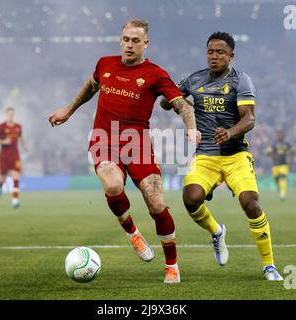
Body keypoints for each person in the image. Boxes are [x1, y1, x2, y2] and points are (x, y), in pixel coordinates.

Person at [49, 19, 200, 284]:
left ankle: (172, 266)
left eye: (135, 41)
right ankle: (133, 234)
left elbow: (183, 106)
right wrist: (68, 110)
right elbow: (90, 86)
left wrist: (191, 128)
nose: (129, 45)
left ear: (145, 43)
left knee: (156, 203)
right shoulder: (104, 64)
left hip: (138, 144)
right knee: (113, 185)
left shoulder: (156, 74)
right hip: (104, 140)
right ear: (121, 40)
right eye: (126, 39)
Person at [161, 31, 283, 281]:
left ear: (231, 55)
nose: (214, 56)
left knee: (251, 203)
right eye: (210, 52)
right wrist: (177, 103)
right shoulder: (194, 79)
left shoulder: (241, 80)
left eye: (220, 52)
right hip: (206, 155)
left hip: (235, 154)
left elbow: (249, 119)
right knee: (191, 198)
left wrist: (230, 132)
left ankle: (269, 266)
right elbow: (167, 101)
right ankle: (217, 232)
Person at [0, 107, 28, 208]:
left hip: (15, 155)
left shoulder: (18, 126)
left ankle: (15, 200)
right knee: (2, 177)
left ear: (14, 115)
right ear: (6, 115)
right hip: (4, 155)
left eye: (12, 114)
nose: (11, 115)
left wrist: (24, 145)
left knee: (16, 176)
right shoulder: (1, 127)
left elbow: (21, 137)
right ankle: (0, 188)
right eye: (9, 114)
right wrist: (3, 141)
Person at [266, 130, 294, 201]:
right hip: (275, 164)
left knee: (282, 177)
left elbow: (292, 153)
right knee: (276, 179)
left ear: (284, 135)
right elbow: (268, 153)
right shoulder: (274, 144)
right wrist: (273, 155)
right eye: (279, 134)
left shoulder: (287, 144)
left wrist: (290, 162)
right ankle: (280, 188)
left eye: (281, 134)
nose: (280, 136)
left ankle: (282, 194)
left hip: (284, 164)